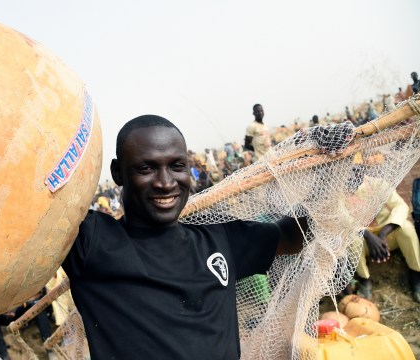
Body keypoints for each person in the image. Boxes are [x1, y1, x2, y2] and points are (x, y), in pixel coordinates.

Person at [60, 115, 346, 359]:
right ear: (117, 173)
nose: (165, 182)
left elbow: (292, 236)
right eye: (146, 168)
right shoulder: (91, 242)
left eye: (176, 166)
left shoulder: (217, 236)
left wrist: (326, 168)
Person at [352, 164, 420, 302]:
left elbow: (401, 206)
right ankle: (365, 279)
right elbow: (342, 220)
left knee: (406, 229)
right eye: (349, 170)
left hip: (386, 237)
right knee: (351, 240)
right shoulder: (336, 192)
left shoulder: (378, 184)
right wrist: (369, 236)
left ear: (363, 170)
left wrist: (383, 234)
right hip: (363, 240)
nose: (354, 174)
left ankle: (416, 274)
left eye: (357, 169)